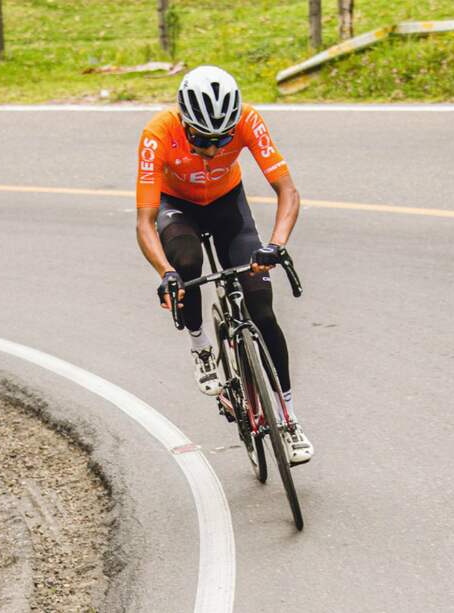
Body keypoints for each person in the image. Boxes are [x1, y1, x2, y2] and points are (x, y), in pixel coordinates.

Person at [134, 65, 313, 464]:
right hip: (176, 207)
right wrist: (166, 273)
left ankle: (288, 418)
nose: (213, 150)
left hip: (228, 206)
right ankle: (200, 346)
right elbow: (145, 222)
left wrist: (275, 245)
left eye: (223, 138)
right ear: (184, 123)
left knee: (262, 308)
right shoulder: (157, 134)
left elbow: (288, 191)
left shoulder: (249, 119)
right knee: (187, 263)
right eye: (201, 139)